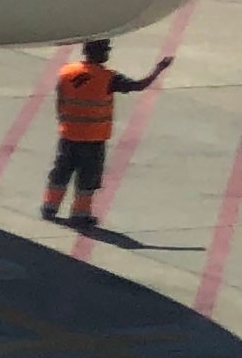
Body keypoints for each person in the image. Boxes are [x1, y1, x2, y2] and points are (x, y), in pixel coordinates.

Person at [39, 38, 170, 228]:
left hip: (69, 134)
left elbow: (60, 99)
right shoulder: (108, 77)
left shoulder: (67, 72)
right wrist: (159, 69)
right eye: (106, 50)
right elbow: (139, 85)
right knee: (87, 178)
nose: (107, 53)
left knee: (60, 172)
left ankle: (49, 208)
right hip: (93, 138)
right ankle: (80, 215)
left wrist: (63, 122)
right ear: (99, 53)